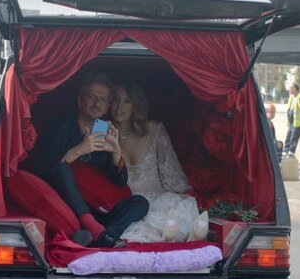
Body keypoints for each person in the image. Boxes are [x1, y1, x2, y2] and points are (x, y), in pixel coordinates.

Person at [36, 73, 149, 248]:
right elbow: (41, 169)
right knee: (63, 168)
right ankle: (94, 230)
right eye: (92, 97)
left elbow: (119, 183)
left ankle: (104, 235)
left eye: (103, 100)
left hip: (99, 208)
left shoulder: (102, 128)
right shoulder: (61, 126)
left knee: (140, 202)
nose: (97, 103)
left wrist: (116, 154)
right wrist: (78, 150)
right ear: (80, 100)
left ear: (107, 107)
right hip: (71, 205)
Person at [110, 82, 207, 243]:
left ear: (136, 105)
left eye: (127, 101)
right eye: (115, 99)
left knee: (177, 212)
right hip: (125, 205)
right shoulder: (102, 133)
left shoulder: (153, 130)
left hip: (156, 201)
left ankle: (179, 240)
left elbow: (172, 176)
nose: (120, 106)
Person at [283, 82, 300, 158]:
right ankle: (285, 153)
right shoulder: (291, 97)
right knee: (287, 138)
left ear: (295, 88)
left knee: (293, 139)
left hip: (298, 124)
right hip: (292, 123)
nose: (289, 90)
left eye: (291, 88)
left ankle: (291, 153)